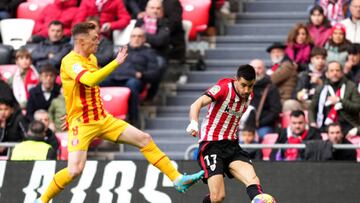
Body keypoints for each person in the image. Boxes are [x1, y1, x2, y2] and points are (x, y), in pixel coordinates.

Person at [35, 22, 203, 203]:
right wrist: (116, 62)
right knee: (74, 170)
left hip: (102, 118)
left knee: (144, 139)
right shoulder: (70, 62)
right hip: (82, 124)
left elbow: (77, 91)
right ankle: (42, 200)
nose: (98, 42)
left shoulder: (91, 58)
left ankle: (176, 179)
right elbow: (90, 80)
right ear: (81, 41)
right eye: (94, 39)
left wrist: (71, 110)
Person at [186, 65, 272, 202]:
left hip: (232, 146)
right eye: (243, 85)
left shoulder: (249, 96)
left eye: (250, 86)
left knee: (253, 180)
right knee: (218, 198)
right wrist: (193, 123)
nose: (246, 90)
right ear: (236, 80)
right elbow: (196, 104)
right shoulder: (223, 88)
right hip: (211, 145)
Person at [102, 27, 162, 126]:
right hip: (115, 77)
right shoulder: (123, 50)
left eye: (139, 36)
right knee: (98, 83)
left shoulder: (149, 53)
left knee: (132, 85)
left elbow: (154, 74)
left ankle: (134, 119)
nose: (136, 39)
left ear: (144, 39)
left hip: (133, 79)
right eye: (133, 36)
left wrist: (142, 75)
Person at [309, 60, 360, 134]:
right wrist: (312, 122)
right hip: (325, 126)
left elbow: (357, 107)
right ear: (327, 74)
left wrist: (340, 101)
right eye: (332, 71)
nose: (335, 73)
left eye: (337, 70)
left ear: (342, 73)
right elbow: (311, 108)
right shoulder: (321, 89)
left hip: (347, 125)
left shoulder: (351, 87)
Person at [249, 59, 282, 140]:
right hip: (244, 126)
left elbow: (276, 111)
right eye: (253, 68)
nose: (256, 71)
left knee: (263, 137)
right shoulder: (243, 87)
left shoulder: (271, 87)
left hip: (263, 126)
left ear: (264, 70)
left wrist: (259, 123)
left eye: (259, 68)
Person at [266, 42, 299, 110]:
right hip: (277, 98)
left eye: (278, 52)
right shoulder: (274, 67)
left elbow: (272, 79)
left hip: (285, 98)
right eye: (273, 52)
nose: (276, 54)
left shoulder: (287, 65)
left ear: (284, 53)